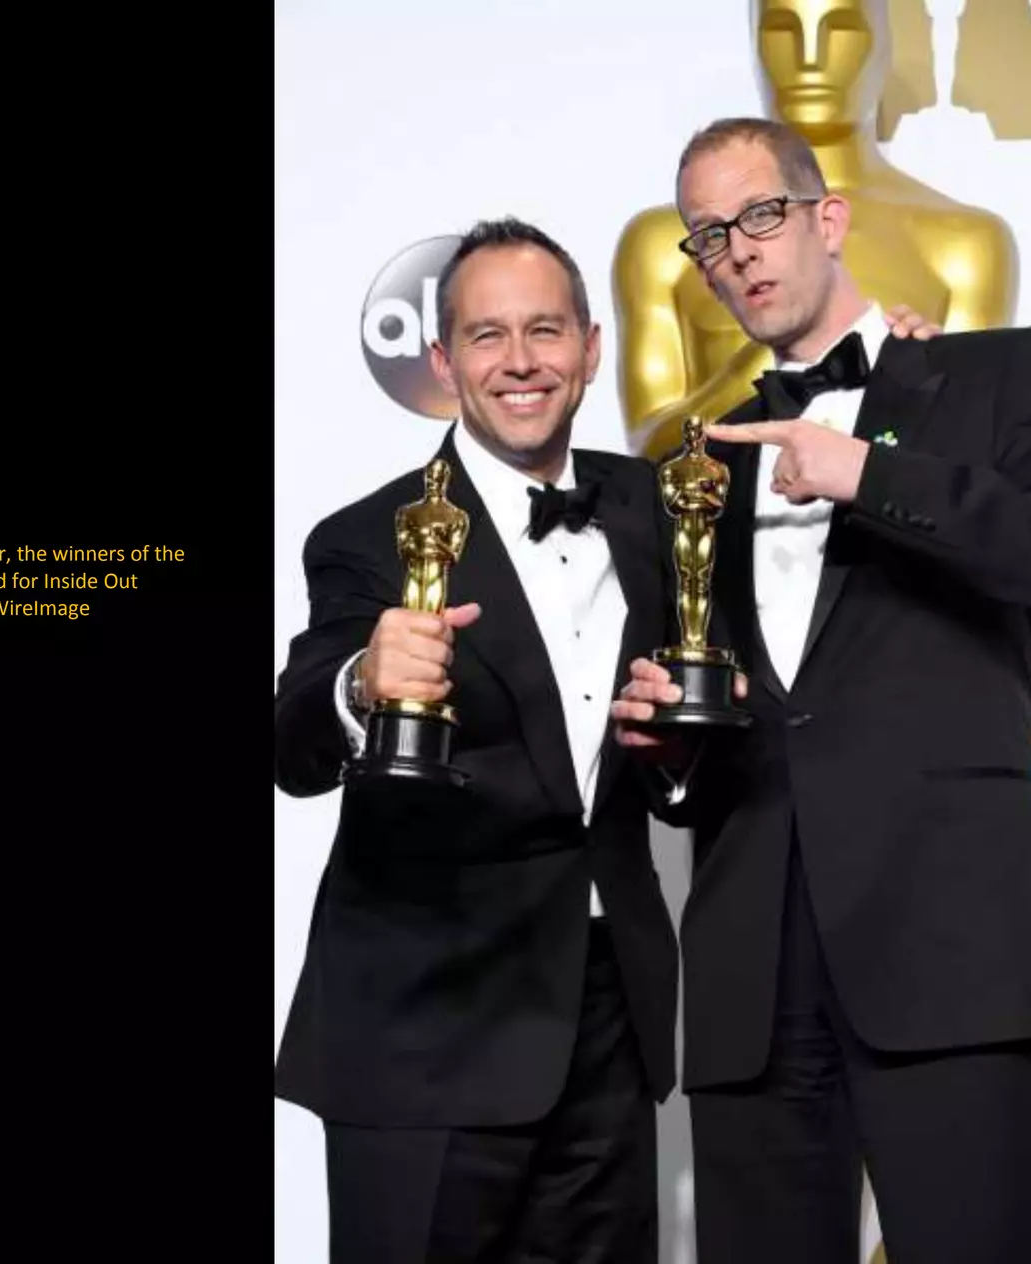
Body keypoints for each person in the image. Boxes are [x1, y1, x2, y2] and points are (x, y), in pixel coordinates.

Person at [612, 117, 1031, 1264]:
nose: (735, 251)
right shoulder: (689, 468)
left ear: (826, 218)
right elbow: (702, 752)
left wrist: (870, 474)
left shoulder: (997, 376)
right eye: (705, 236)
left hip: (948, 954)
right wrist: (662, 743)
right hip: (753, 975)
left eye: (759, 215)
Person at [272, 217, 684, 1263]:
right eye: (487, 335)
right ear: (444, 360)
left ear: (591, 348)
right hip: (425, 1027)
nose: (520, 361)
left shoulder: (653, 508)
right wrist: (363, 684)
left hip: (606, 1018)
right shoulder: (367, 536)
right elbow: (293, 737)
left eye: (545, 330)